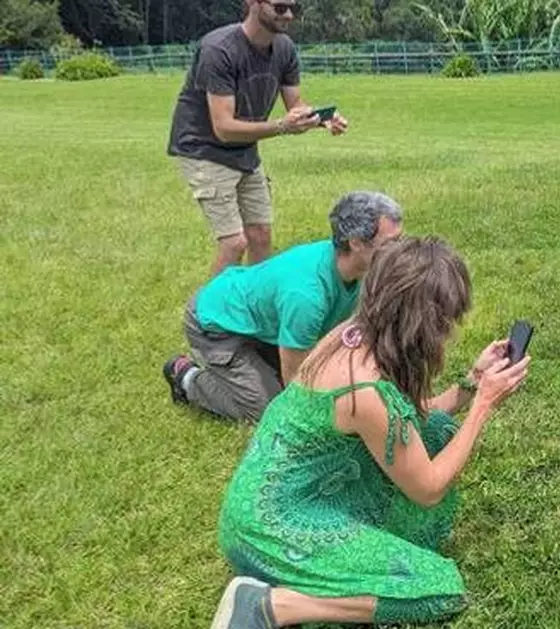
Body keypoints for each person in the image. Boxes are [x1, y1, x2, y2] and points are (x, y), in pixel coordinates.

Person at [208, 235, 532, 628]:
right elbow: (427, 488)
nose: (450, 333)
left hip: (277, 502)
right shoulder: (364, 391)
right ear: (424, 324)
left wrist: (469, 384)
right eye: (447, 322)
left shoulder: (355, 334)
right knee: (436, 587)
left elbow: (405, 422)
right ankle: (271, 605)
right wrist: (482, 406)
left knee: (438, 431)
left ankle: (326, 571)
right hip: (270, 529)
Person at [162, 191, 403, 423]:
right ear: (357, 243)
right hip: (216, 324)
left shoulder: (357, 269)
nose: (400, 251)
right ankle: (187, 376)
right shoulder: (306, 294)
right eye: (392, 242)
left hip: (259, 325)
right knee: (270, 409)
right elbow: (295, 379)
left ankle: (255, 362)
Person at [167, 0, 351, 278]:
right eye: (279, 7)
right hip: (203, 149)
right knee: (234, 243)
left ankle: (253, 308)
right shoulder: (219, 49)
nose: (288, 15)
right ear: (253, 3)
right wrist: (281, 126)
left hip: (244, 151)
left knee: (261, 235)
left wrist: (323, 118)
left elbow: (296, 105)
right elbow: (224, 127)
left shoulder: (284, 48)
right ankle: (204, 315)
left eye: (293, 7)